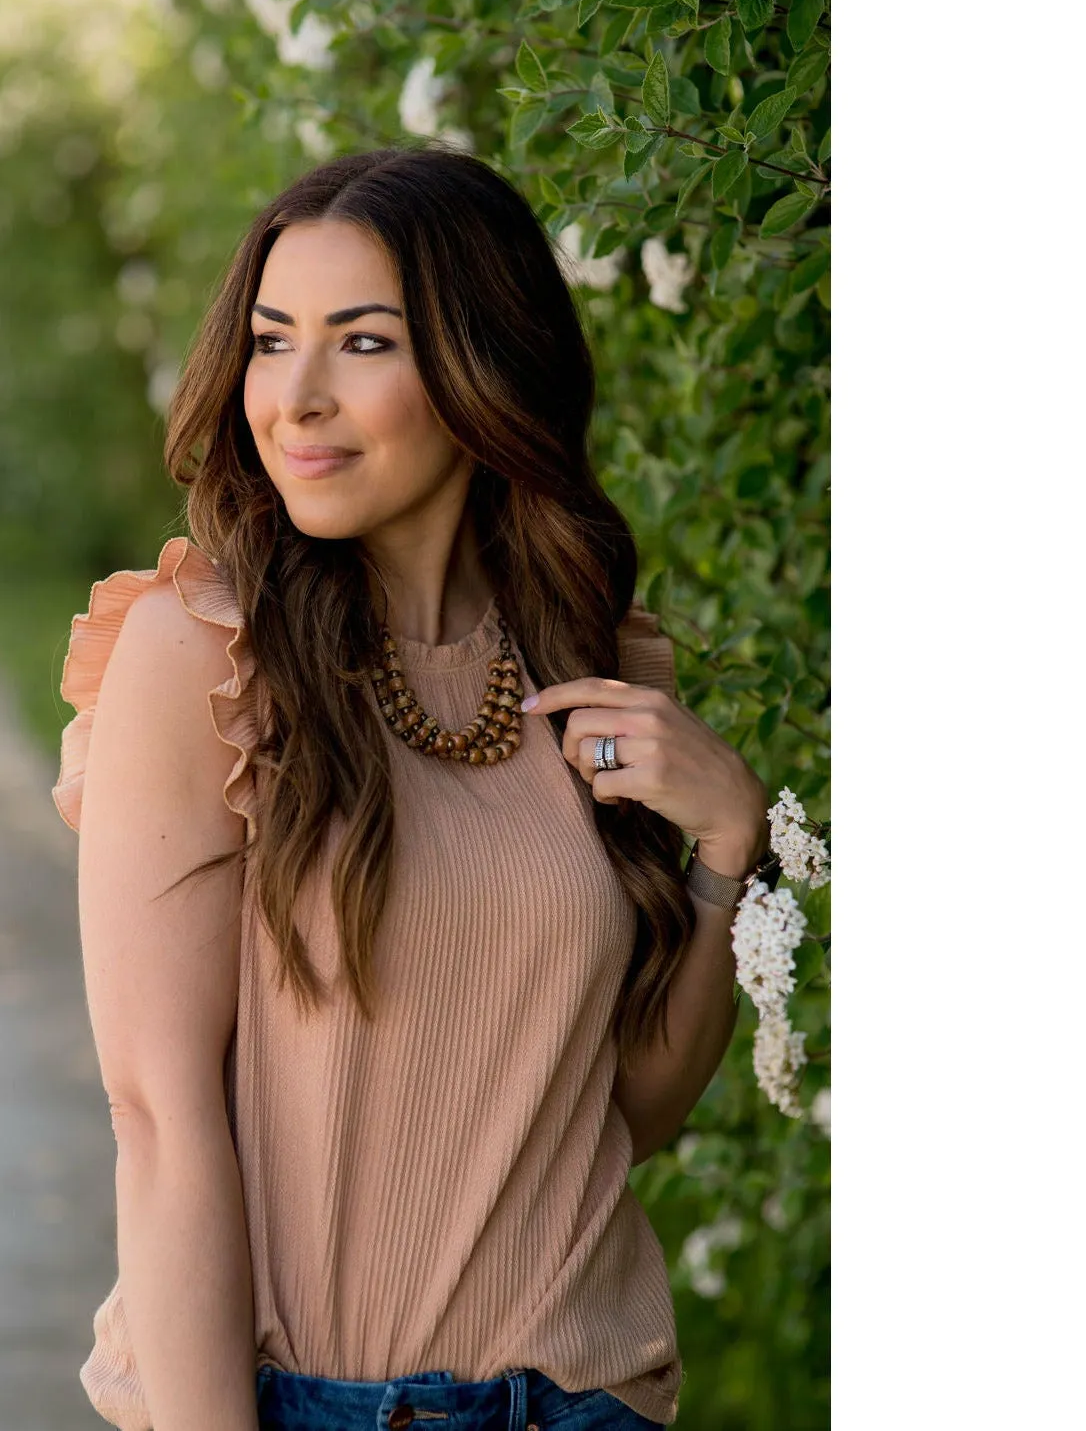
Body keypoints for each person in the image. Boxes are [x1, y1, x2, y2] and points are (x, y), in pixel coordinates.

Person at [53, 147, 775, 1431]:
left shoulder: (589, 662)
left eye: (363, 343)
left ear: (482, 366)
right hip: (308, 1402)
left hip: (588, 1397)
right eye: (273, 343)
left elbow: (616, 1118)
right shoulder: (203, 655)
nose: (298, 397)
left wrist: (726, 848)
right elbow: (157, 1118)